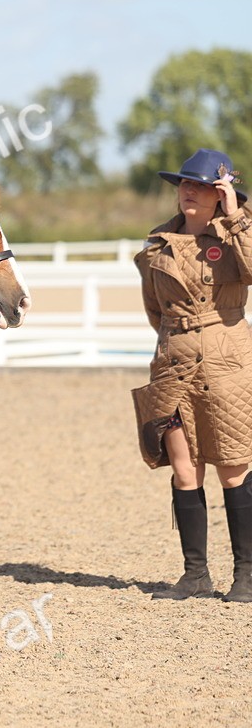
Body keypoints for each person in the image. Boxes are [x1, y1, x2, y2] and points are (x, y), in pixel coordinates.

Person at [132, 148, 252, 602]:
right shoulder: (157, 244)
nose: (189, 191)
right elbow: (154, 308)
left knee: (234, 469)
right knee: (185, 470)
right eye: (185, 183)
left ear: (221, 194)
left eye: (202, 185)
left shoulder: (238, 234)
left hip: (226, 362)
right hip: (173, 360)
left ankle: (246, 575)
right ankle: (196, 575)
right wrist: (177, 340)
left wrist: (237, 217)